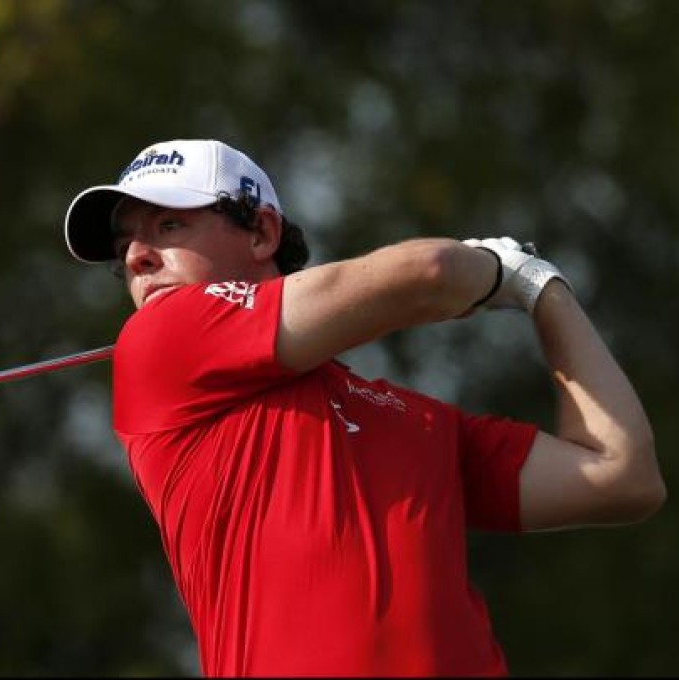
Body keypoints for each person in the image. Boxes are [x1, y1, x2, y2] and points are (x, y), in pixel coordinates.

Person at [61, 139, 666, 677]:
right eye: (125, 248)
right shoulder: (159, 339)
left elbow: (622, 476)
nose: (138, 255)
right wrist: (499, 268)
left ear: (262, 232)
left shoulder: (417, 420)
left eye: (167, 226)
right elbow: (430, 270)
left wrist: (542, 288)